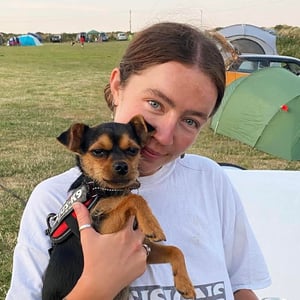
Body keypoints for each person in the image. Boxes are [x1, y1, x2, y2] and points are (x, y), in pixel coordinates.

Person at [6, 22, 271, 300]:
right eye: (155, 104)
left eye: (190, 121)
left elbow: (241, 287)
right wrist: (95, 288)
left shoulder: (210, 179)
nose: (164, 136)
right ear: (117, 86)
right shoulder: (53, 200)